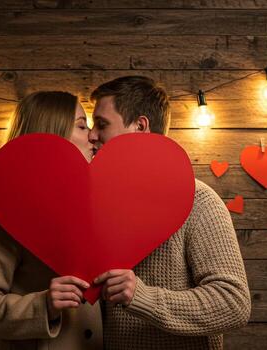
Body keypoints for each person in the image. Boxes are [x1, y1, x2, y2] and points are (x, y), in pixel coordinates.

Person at [88, 76, 251, 349]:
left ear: (140, 127)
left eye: (102, 124)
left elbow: (233, 303)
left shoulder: (199, 201)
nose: (92, 134)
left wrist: (141, 297)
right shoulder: (102, 203)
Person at [0, 91, 102, 350]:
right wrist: (43, 304)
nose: (93, 135)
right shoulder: (5, 212)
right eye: (82, 125)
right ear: (53, 135)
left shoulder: (87, 204)